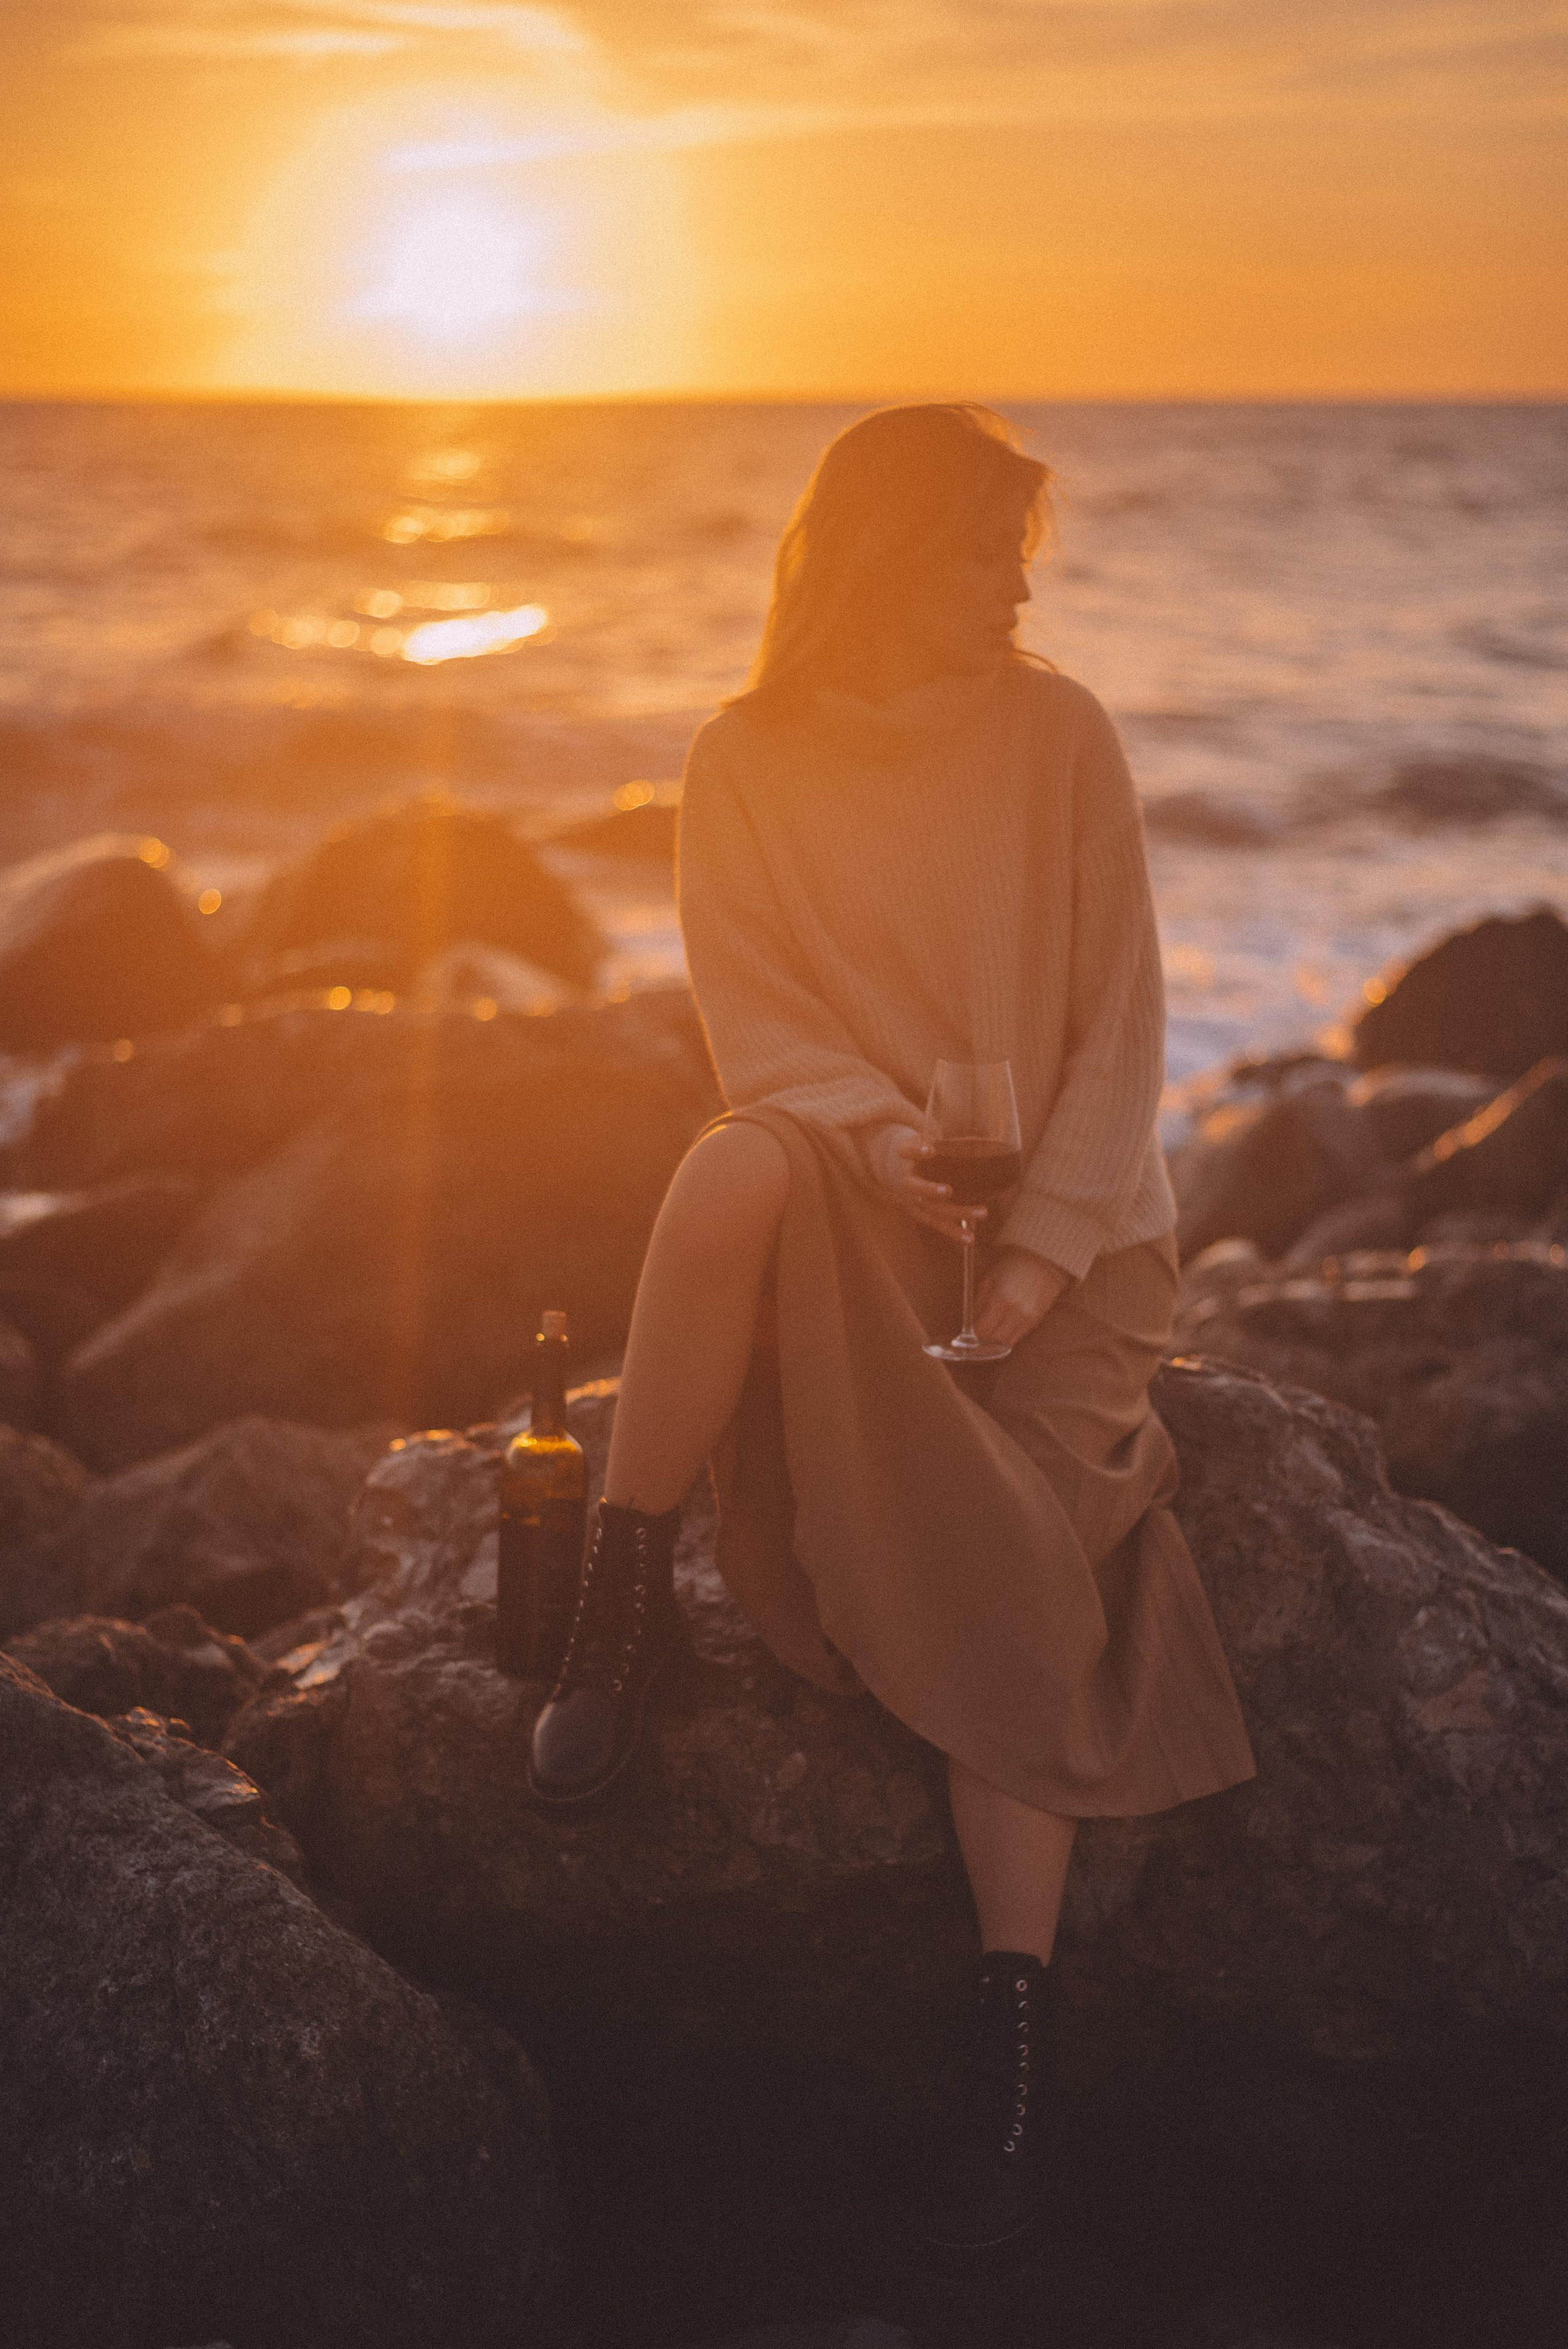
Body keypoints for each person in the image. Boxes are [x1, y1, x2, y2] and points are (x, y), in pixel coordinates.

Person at [528, 403, 1256, 2252]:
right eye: (977, 549)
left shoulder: (1063, 735)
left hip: (1077, 1244)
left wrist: (1040, 1255)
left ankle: (1008, 2057)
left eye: (1023, 550)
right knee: (728, 1168)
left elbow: (1124, 1033)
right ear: (877, 556)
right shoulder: (742, 759)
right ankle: (617, 1603)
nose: (1014, 585)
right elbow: (760, 1032)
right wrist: (878, 1148)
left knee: (1013, 1562)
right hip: (865, 1194)